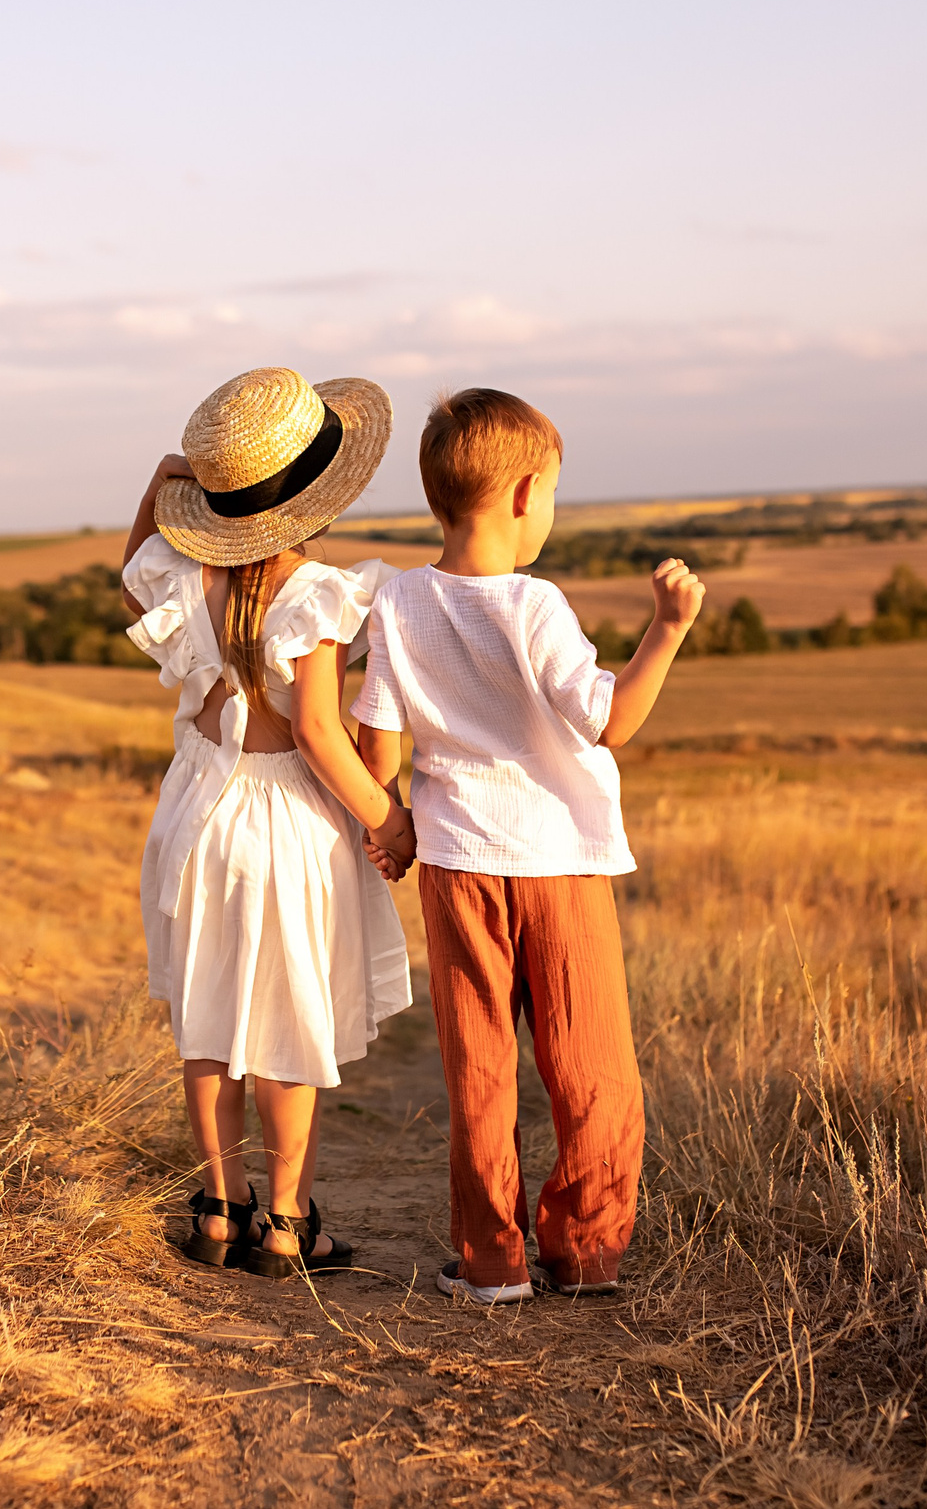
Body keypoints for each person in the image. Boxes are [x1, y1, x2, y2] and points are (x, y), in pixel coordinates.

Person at [352, 388, 704, 1304]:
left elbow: (378, 743)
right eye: (552, 494)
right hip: (559, 861)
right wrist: (666, 631)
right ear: (521, 493)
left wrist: (389, 822)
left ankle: (492, 1263)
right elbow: (612, 721)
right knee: (590, 1063)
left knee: (481, 1065)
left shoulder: (397, 603)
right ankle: (585, 1251)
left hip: (460, 863)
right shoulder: (535, 605)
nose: (549, 511)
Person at [120, 366, 417, 1277]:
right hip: (282, 818)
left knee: (210, 1025)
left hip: (197, 813)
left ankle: (218, 1209)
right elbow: (321, 733)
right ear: (315, 498)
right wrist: (387, 817)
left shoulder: (182, 572)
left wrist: (164, 481)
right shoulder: (312, 591)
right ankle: (287, 1225)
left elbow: (127, 570)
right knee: (287, 1029)